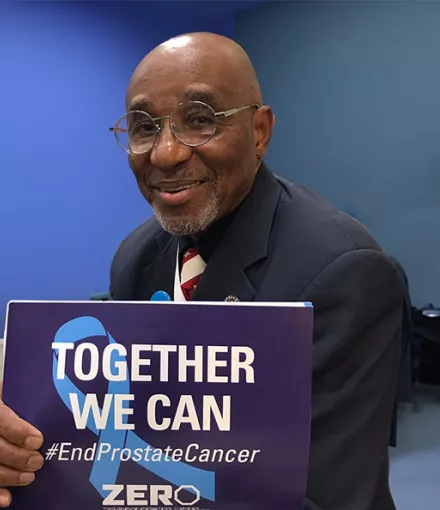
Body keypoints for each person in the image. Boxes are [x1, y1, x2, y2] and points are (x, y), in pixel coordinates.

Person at [0, 33, 403, 510]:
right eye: (144, 127)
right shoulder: (136, 255)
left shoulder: (345, 271)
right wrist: (18, 435)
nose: (166, 154)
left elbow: (321, 499)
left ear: (259, 131)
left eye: (200, 120)